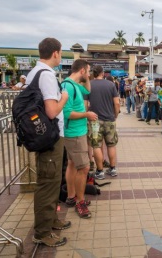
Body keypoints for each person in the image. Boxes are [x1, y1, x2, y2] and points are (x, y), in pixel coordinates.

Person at [26, 38, 69, 247]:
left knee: (52, 179)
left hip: (44, 135)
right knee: (48, 183)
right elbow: (52, 111)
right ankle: (42, 232)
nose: (61, 57)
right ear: (55, 53)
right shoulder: (47, 76)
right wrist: (64, 98)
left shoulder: (35, 72)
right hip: (50, 136)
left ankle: (51, 220)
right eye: (61, 53)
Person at [62, 59, 98, 219]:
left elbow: (88, 91)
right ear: (82, 70)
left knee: (72, 164)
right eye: (88, 71)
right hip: (75, 134)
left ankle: (71, 196)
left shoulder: (75, 85)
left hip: (76, 132)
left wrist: (87, 78)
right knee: (83, 168)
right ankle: (80, 202)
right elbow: (66, 113)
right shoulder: (68, 86)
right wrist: (86, 114)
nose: (89, 74)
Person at [89, 66, 120, 180]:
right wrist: (115, 115)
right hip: (109, 120)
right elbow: (116, 103)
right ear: (103, 73)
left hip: (95, 121)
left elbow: (85, 103)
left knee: (96, 145)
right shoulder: (111, 85)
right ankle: (112, 169)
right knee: (111, 144)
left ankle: (100, 171)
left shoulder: (89, 85)